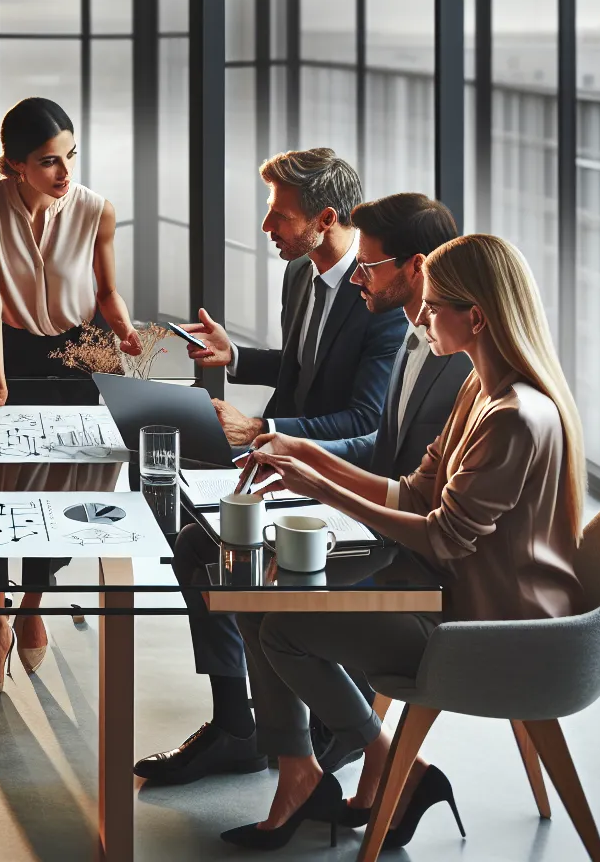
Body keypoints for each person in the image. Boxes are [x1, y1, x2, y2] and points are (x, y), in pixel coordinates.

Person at [219, 232, 586, 850]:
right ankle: (316, 770)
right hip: (452, 592)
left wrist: (326, 490)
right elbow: (414, 494)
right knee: (261, 602)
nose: (419, 314)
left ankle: (387, 761)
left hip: (487, 625)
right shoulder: (479, 390)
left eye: (434, 304)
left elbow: (442, 538)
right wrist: (306, 456)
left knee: (280, 622)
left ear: (476, 316)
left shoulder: (514, 417)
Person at [134, 192, 472, 786]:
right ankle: (245, 728)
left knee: (251, 582)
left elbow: (389, 454)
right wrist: (288, 447)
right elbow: (370, 430)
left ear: (414, 267)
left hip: (399, 541)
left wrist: (292, 451)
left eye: (370, 266)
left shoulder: (431, 343)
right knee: (199, 544)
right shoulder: (417, 336)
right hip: (363, 496)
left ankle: (320, 746)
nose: (361, 279)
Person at [0, 96, 142, 701]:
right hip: (10, 350)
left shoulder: (96, 211)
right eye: (47, 162)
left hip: (80, 352)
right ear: (13, 165)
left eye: (69, 157)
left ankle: (33, 602)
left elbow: (108, 292)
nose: (64, 173)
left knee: (65, 495)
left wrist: (127, 332)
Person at [183, 147, 404, 447]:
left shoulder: (380, 294)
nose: (266, 226)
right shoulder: (299, 270)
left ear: (325, 219)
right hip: (276, 459)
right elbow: (305, 369)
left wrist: (258, 428)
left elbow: (364, 419)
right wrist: (234, 355)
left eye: (280, 215)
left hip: (332, 469)